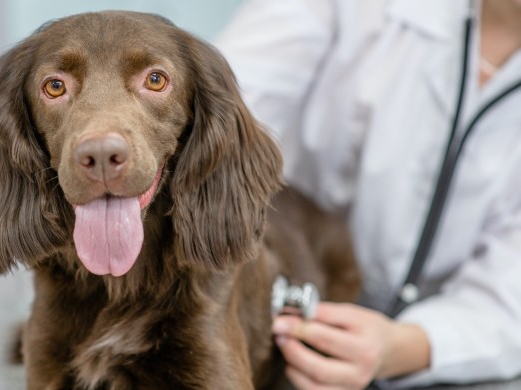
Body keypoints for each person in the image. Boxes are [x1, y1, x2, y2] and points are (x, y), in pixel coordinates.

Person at [216, 0, 521, 389]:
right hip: (281, 277)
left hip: (440, 350)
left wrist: (403, 346)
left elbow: (510, 304)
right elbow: (217, 117)